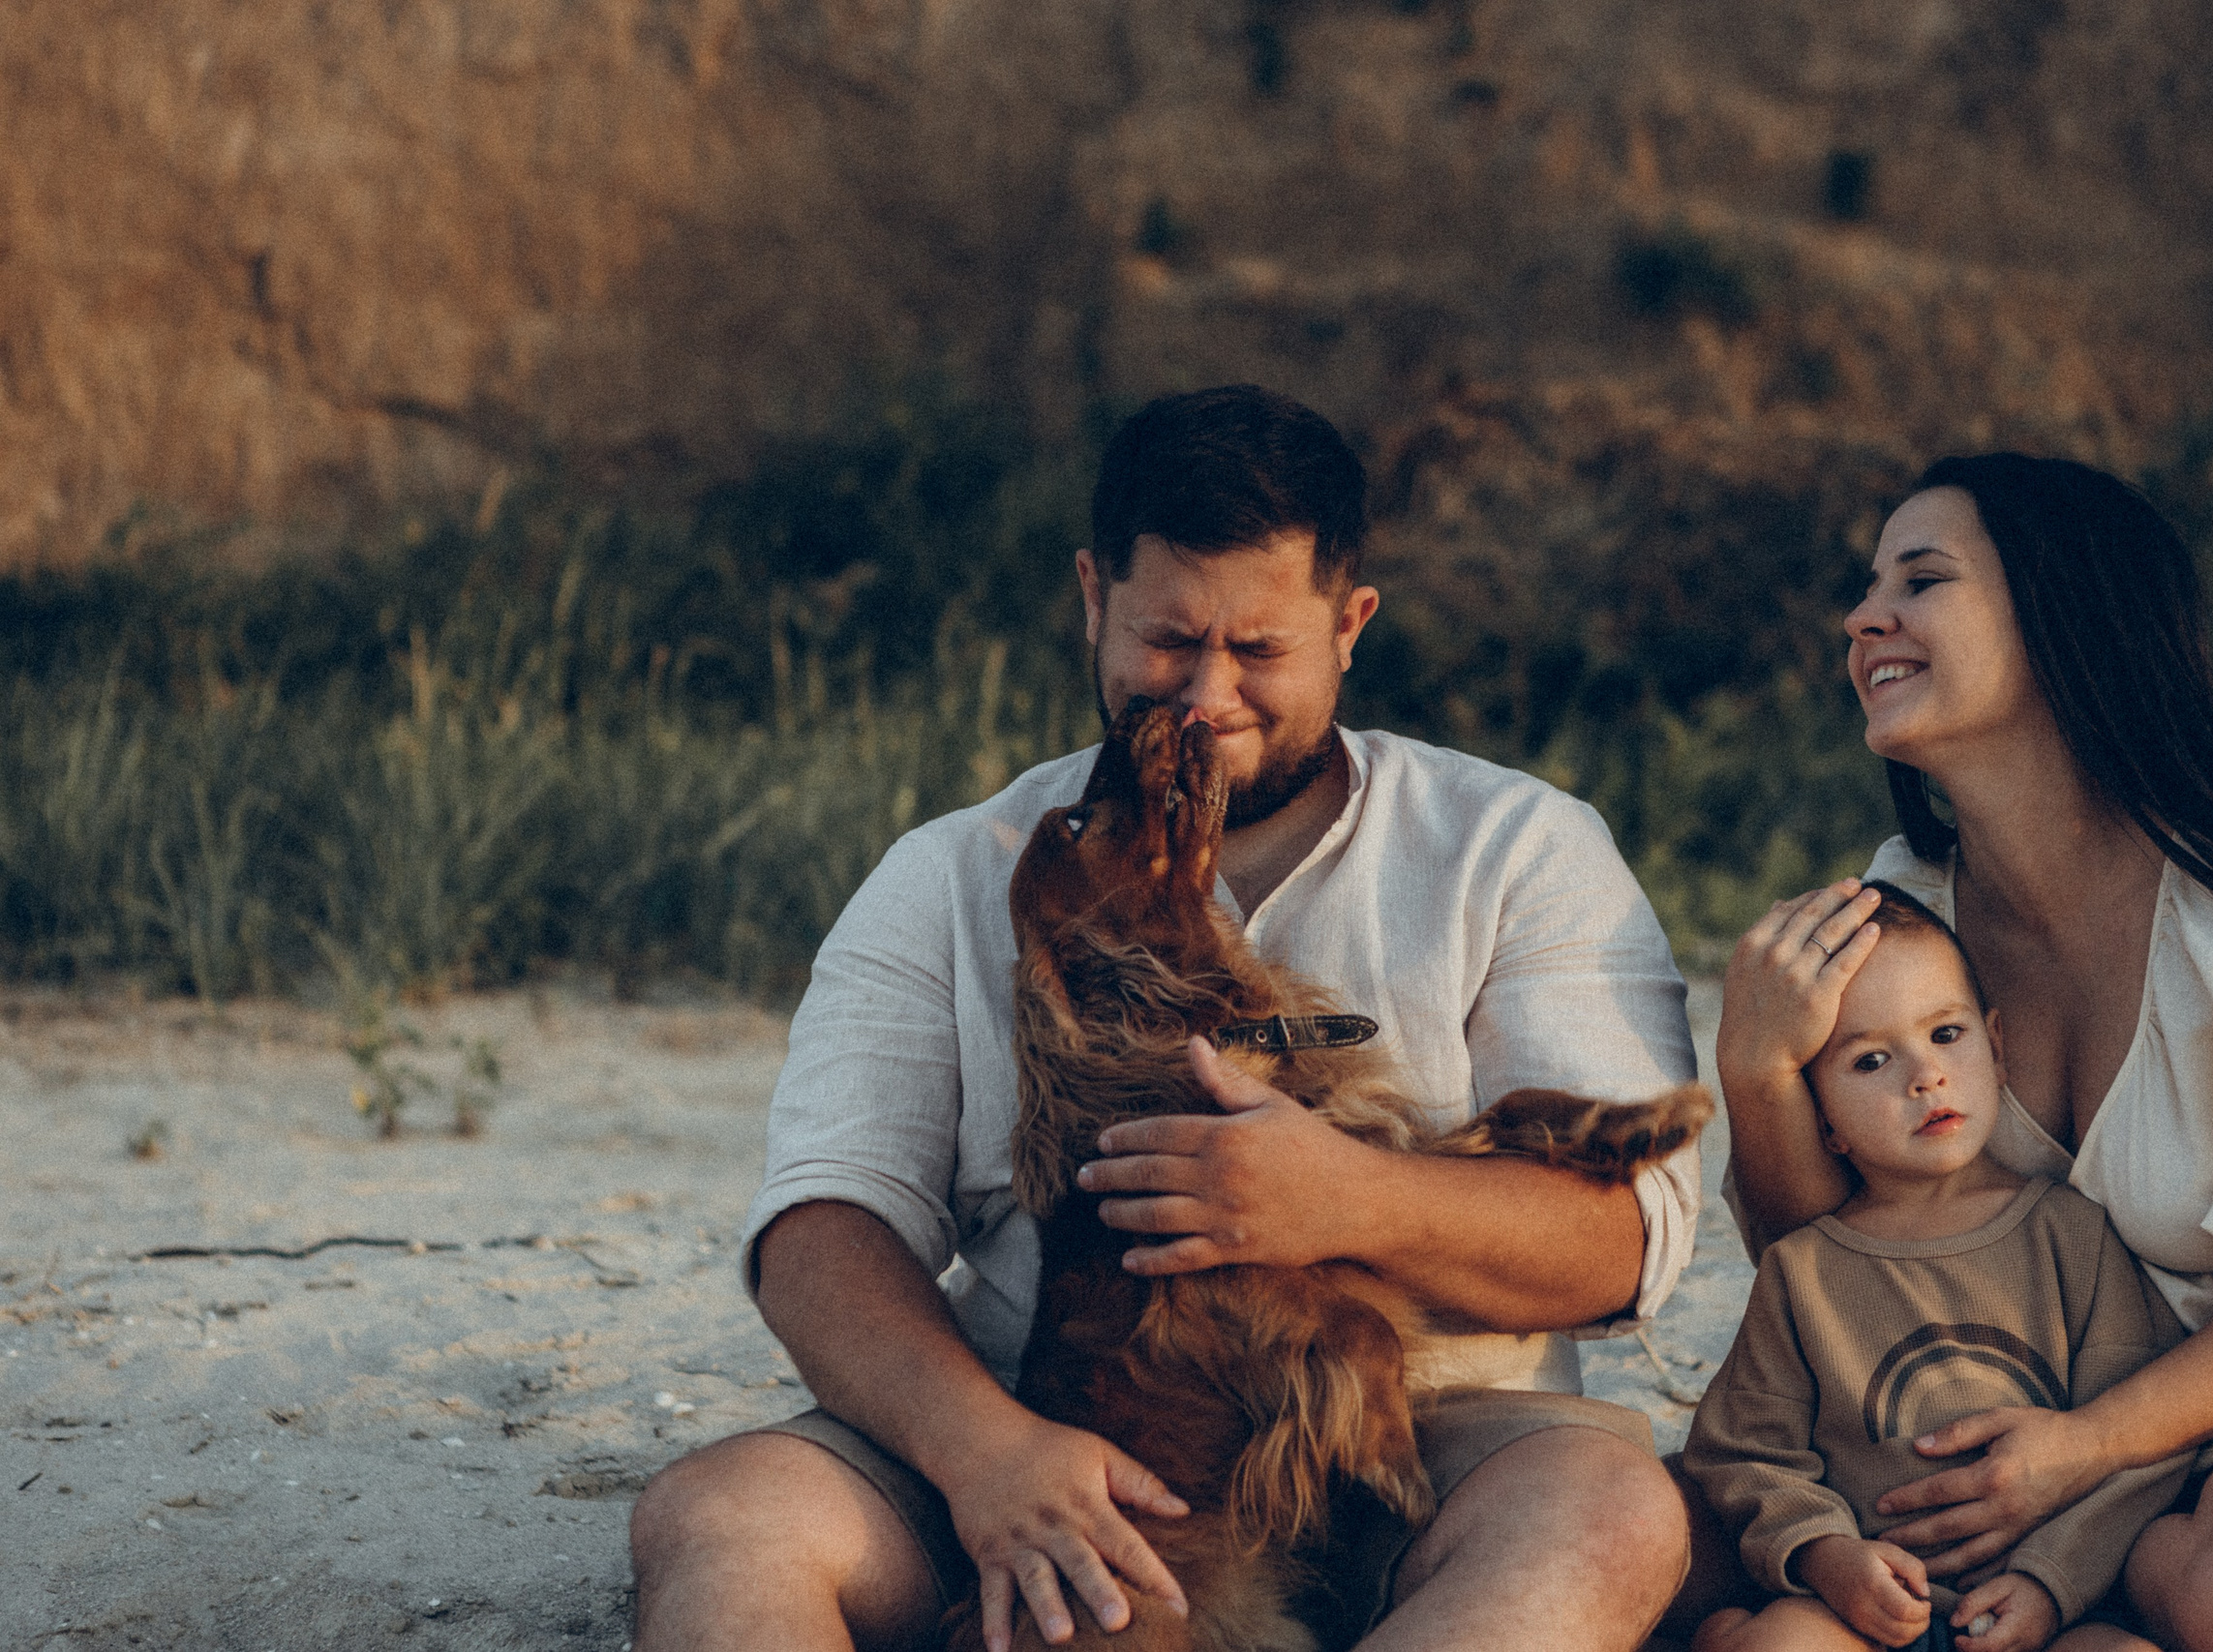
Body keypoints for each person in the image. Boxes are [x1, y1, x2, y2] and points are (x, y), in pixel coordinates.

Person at [628, 384, 1704, 1652]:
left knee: (1613, 1514)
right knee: (725, 1511)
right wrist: (986, 1449)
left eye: (1258, 650)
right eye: (1167, 639)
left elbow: (1624, 1244)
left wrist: (1349, 1199)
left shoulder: (1513, 846)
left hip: (1420, 1439)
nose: (1205, 694)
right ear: (1094, 598)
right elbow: (824, 1224)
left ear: (1350, 624)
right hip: (1062, 1430)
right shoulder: (954, 871)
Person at [1716, 453, 2213, 1652]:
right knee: (1691, 1545)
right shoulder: (1899, 912)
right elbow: (1828, 1261)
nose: (1865, 619)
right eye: (1869, 590)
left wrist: (2084, 1454)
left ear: (2065, 613)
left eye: (1922, 580)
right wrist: (1757, 1074)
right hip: (1984, 1417)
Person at [1684, 883, 2186, 1652]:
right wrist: (1828, 1556)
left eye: (1946, 1033)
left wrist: (2051, 1583)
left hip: (2047, 1616)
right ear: (1823, 1119)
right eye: (1872, 1059)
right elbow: (1742, 1451)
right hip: (1865, 1611)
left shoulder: (2073, 1236)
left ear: (1998, 1047)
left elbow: (2134, 1454)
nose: (1924, 1075)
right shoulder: (1803, 1269)